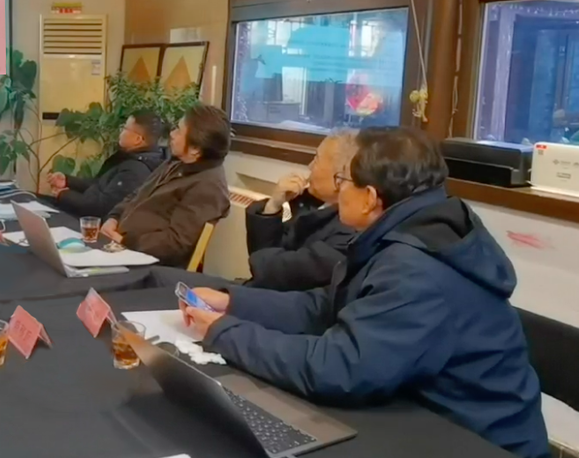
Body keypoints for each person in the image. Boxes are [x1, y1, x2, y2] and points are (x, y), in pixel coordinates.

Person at [181, 127, 549, 458]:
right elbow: (326, 306)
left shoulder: (416, 268)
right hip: (418, 417)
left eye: (343, 180)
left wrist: (224, 333)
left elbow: (337, 368)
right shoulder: (409, 232)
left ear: (370, 197)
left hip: (473, 441)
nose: (337, 189)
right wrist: (234, 303)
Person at [100, 104, 231, 268]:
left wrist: (126, 240)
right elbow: (137, 194)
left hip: (148, 265)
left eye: (179, 131)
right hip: (121, 247)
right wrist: (114, 217)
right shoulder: (176, 163)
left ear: (195, 149)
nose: (172, 134)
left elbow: (175, 242)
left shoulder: (208, 187)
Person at [243, 130, 357, 290]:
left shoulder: (348, 230)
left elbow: (273, 270)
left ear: (339, 177)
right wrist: (273, 206)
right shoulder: (312, 204)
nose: (310, 166)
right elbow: (264, 257)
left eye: (316, 159)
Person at [47, 110, 165, 218]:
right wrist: (68, 181)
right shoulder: (129, 158)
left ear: (138, 139)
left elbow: (102, 208)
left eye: (125, 128)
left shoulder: (134, 171)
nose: (121, 131)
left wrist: (64, 195)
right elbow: (101, 185)